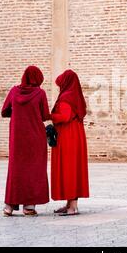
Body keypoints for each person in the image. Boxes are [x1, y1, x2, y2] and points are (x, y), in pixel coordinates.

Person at [1, 66, 50, 216]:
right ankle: (29, 206)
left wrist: (17, 113)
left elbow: (4, 111)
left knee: (16, 169)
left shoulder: (14, 91)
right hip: (35, 137)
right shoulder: (40, 93)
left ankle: (9, 206)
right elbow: (44, 115)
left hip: (17, 138)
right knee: (33, 170)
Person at [51, 69, 89, 216]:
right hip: (76, 135)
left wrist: (49, 115)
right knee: (74, 168)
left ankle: (72, 207)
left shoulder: (67, 97)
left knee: (69, 169)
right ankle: (70, 204)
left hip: (68, 136)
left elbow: (65, 116)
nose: (60, 87)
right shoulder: (76, 96)